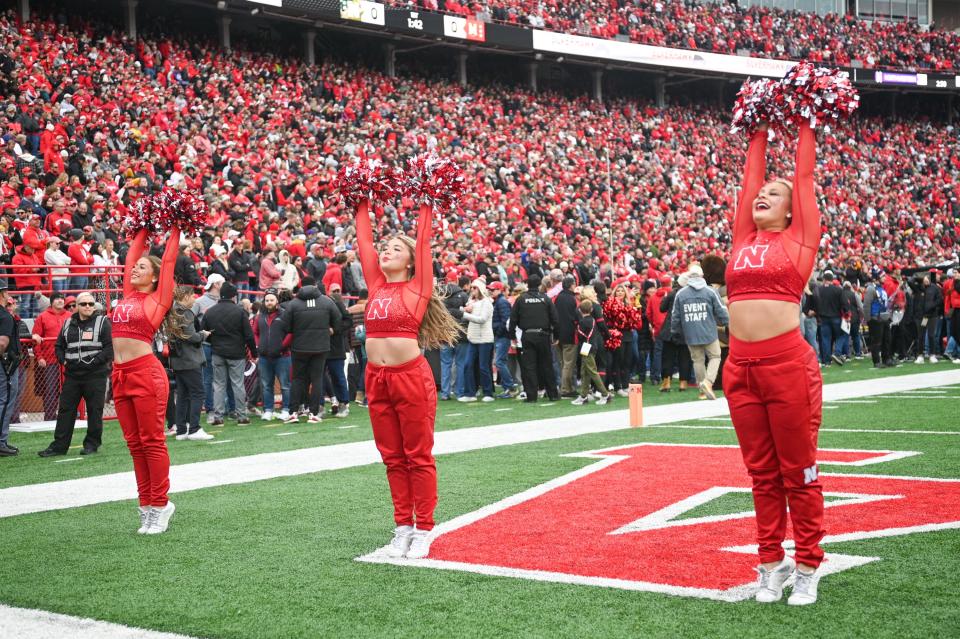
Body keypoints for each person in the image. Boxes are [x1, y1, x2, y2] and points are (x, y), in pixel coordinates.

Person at [723, 123, 824, 605]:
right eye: (762, 193)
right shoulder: (743, 237)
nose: (763, 195)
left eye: (774, 194)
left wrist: (806, 121)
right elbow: (748, 181)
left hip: (787, 364)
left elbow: (803, 179)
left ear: (791, 209)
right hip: (739, 368)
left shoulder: (801, 239)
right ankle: (771, 563)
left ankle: (808, 564)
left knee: (798, 472)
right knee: (761, 474)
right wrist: (757, 129)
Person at [353, 197, 461, 560]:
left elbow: (425, 240)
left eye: (396, 248)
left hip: (410, 378)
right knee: (392, 457)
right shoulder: (375, 285)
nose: (385, 251)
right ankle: (402, 528)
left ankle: (425, 529)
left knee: (418, 455)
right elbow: (364, 242)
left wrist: (429, 202)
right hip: (376, 378)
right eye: (386, 247)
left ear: (411, 260)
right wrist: (361, 202)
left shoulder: (417, 288)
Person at [111, 225, 183, 535]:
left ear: (153, 277)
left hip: (146, 374)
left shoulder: (158, 300)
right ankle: (146, 506)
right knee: (134, 445)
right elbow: (130, 255)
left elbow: (167, 262)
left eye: (143, 267)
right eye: (135, 267)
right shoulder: (127, 294)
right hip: (120, 375)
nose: (135, 269)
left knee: (152, 442)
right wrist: (143, 226)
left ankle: (160, 504)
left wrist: (176, 225)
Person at [39, 292, 112, 456]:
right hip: (72, 375)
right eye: (84, 304)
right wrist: (62, 360)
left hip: (95, 375)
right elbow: (59, 346)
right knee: (66, 410)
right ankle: (59, 447)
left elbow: (109, 348)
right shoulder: (67, 324)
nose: (88, 307)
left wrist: (93, 363)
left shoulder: (103, 322)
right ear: (76, 306)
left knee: (94, 410)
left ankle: (91, 445)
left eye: (91, 304)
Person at [281, 276, 341, 423]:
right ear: (315, 286)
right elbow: (338, 319)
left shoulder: (293, 304)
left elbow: (285, 326)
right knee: (317, 379)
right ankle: (313, 413)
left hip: (299, 347)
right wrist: (331, 330)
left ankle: (294, 412)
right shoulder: (327, 301)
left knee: (297, 379)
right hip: (321, 347)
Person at [670, 264, 729, 400]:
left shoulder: (681, 293)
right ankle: (707, 382)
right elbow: (721, 310)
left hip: (690, 332)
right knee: (715, 356)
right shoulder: (710, 291)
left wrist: (675, 331)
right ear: (702, 276)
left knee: (698, 360)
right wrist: (727, 324)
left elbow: (675, 316)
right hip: (708, 331)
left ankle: (702, 391)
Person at [201, 281, 256, 426]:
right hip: (236, 353)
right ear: (234, 297)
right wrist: (254, 353)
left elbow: (204, 332)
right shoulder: (240, 312)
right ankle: (241, 415)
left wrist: (215, 341)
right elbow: (249, 335)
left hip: (217, 352)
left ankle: (217, 416)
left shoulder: (210, 311)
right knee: (237, 384)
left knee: (218, 385)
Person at [169, 286, 213, 440]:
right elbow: (190, 336)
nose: (194, 299)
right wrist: (203, 334)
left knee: (182, 395)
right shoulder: (184, 312)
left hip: (178, 359)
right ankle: (194, 428)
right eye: (192, 296)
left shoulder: (172, 311)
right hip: (189, 359)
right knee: (197, 393)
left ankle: (182, 430)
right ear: (186, 296)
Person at [508, 274, 560, 403]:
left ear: (527, 285)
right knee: (547, 366)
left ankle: (531, 396)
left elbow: (513, 319)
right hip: (543, 335)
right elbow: (555, 319)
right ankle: (553, 394)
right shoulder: (545, 299)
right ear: (539, 284)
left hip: (528, 335)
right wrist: (556, 336)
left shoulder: (521, 299)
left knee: (529, 367)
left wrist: (512, 337)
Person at [253, 289, 291, 421]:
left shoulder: (285, 315)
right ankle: (268, 410)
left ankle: (287, 409)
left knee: (285, 385)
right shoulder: (260, 316)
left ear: (277, 301)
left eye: (272, 300)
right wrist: (258, 346)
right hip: (264, 357)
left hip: (282, 356)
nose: (269, 302)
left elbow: (291, 333)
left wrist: (282, 346)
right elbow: (255, 332)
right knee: (266, 385)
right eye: (267, 300)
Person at [32, 291, 71, 420]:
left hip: (68, 360)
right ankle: (49, 416)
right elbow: (35, 340)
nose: (60, 301)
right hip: (50, 359)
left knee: (70, 388)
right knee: (50, 389)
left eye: (62, 299)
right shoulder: (42, 317)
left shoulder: (70, 316)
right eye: (57, 299)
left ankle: (69, 415)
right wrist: (39, 357)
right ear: (51, 302)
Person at [461, 278, 495, 403]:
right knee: (468, 365)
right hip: (473, 338)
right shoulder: (471, 302)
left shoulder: (487, 303)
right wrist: (465, 310)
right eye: (471, 288)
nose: (472, 290)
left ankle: (488, 393)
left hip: (485, 339)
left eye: (475, 288)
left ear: (480, 289)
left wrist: (464, 314)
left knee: (483, 367)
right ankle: (470, 393)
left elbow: (482, 319)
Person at [572, 299, 610, 405]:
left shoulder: (582, 322)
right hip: (591, 347)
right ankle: (583, 396)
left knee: (592, 371)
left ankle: (605, 394)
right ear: (592, 309)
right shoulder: (593, 320)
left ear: (579, 310)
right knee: (585, 372)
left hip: (586, 348)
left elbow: (580, 336)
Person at [0, 282, 23, 457]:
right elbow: (2, 343)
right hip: (4, 365)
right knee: (5, 401)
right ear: (4, 294)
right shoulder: (4, 316)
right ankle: (1, 442)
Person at [325, 283, 353, 418]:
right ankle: (322, 404)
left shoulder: (338, 303)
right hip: (319, 346)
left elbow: (348, 321)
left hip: (335, 347)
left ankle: (343, 403)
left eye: (338, 290)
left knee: (338, 376)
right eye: (334, 291)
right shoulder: (323, 302)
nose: (337, 292)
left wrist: (335, 330)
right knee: (320, 377)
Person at [489, 281, 518, 398]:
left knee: (499, 362)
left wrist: (498, 331)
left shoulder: (501, 302)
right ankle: (508, 388)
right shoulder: (499, 301)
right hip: (501, 336)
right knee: (501, 361)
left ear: (499, 290)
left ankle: (510, 387)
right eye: (490, 289)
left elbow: (506, 321)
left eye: (493, 289)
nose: (490, 291)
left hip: (502, 336)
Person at [554, 275, 579, 397]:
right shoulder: (572, 299)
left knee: (563, 363)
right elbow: (575, 317)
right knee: (569, 364)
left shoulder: (558, 298)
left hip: (559, 334)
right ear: (571, 285)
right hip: (570, 334)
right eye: (574, 284)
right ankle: (565, 389)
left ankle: (568, 387)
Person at [864, 276, 894, 368]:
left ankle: (886, 359)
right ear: (876, 278)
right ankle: (876, 361)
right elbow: (867, 305)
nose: (884, 278)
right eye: (882, 276)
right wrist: (868, 319)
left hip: (884, 317)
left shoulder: (882, 288)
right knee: (876, 341)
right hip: (875, 318)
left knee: (887, 339)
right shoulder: (871, 289)